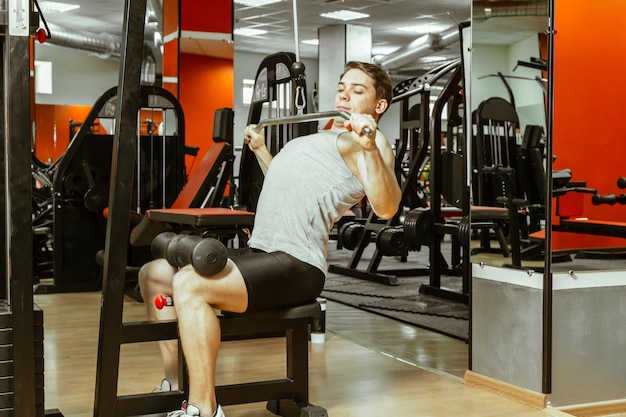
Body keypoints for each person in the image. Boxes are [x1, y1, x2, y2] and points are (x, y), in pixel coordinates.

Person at [138, 61, 402, 417]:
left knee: (190, 283)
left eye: (358, 90)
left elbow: (387, 207)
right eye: (342, 86)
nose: (345, 93)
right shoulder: (321, 137)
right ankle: (174, 387)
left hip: (298, 264)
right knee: (154, 274)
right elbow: (284, 181)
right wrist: (262, 150)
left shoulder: (368, 142)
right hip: (261, 252)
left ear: (378, 105)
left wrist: (370, 144)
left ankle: (203, 409)